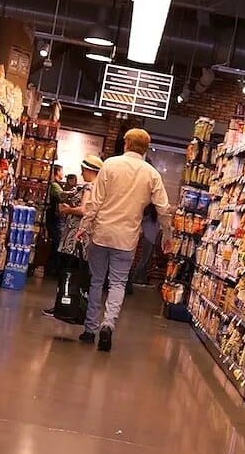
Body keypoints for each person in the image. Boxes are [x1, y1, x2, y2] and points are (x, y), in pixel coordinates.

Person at [77, 128, 172, 352]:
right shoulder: (152, 174)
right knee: (118, 283)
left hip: (101, 234)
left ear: (126, 144)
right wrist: (167, 234)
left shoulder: (110, 165)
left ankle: (90, 330)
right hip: (127, 238)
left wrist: (84, 226)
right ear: (145, 148)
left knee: (96, 282)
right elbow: (163, 208)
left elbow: (95, 202)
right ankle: (108, 324)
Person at [42, 155, 103, 319]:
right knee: (75, 273)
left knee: (68, 272)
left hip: (75, 236)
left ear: (91, 171)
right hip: (80, 235)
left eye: (83, 171)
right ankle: (67, 306)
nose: (82, 174)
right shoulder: (98, 187)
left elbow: (84, 210)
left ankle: (64, 306)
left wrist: (67, 210)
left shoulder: (90, 187)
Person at [131, 204, 160, 286]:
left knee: (147, 261)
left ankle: (143, 279)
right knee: (144, 260)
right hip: (148, 239)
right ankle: (135, 278)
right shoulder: (150, 214)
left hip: (150, 239)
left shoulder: (152, 215)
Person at [45, 164, 65, 276]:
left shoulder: (56, 185)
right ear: (57, 172)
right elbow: (61, 196)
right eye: (62, 171)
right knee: (57, 242)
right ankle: (52, 268)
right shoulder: (54, 185)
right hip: (54, 218)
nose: (63, 173)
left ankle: (52, 268)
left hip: (54, 218)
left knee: (56, 242)